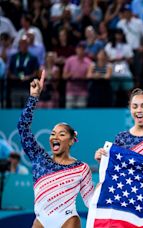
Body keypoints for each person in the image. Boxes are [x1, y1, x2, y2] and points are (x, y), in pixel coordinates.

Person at [17, 71, 94, 228]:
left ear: (72, 140)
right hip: (41, 221)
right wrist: (33, 97)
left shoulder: (81, 168)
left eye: (61, 134)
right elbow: (23, 128)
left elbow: (90, 201)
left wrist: (105, 185)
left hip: (68, 220)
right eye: (52, 134)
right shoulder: (39, 158)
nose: (55, 137)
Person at [95, 88, 143, 160]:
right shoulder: (121, 138)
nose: (139, 110)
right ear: (130, 109)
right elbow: (114, 168)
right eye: (135, 107)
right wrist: (102, 159)